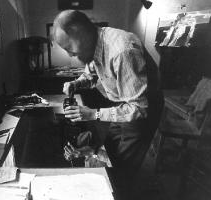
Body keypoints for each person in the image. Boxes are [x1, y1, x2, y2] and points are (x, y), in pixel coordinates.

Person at [52, 10, 164, 199]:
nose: (71, 54)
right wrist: (76, 83)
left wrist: (93, 114)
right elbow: (92, 73)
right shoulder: (95, 43)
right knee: (109, 153)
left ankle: (120, 192)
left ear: (81, 32)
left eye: (70, 48)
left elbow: (139, 108)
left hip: (141, 111)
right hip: (122, 104)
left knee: (122, 171)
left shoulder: (122, 51)